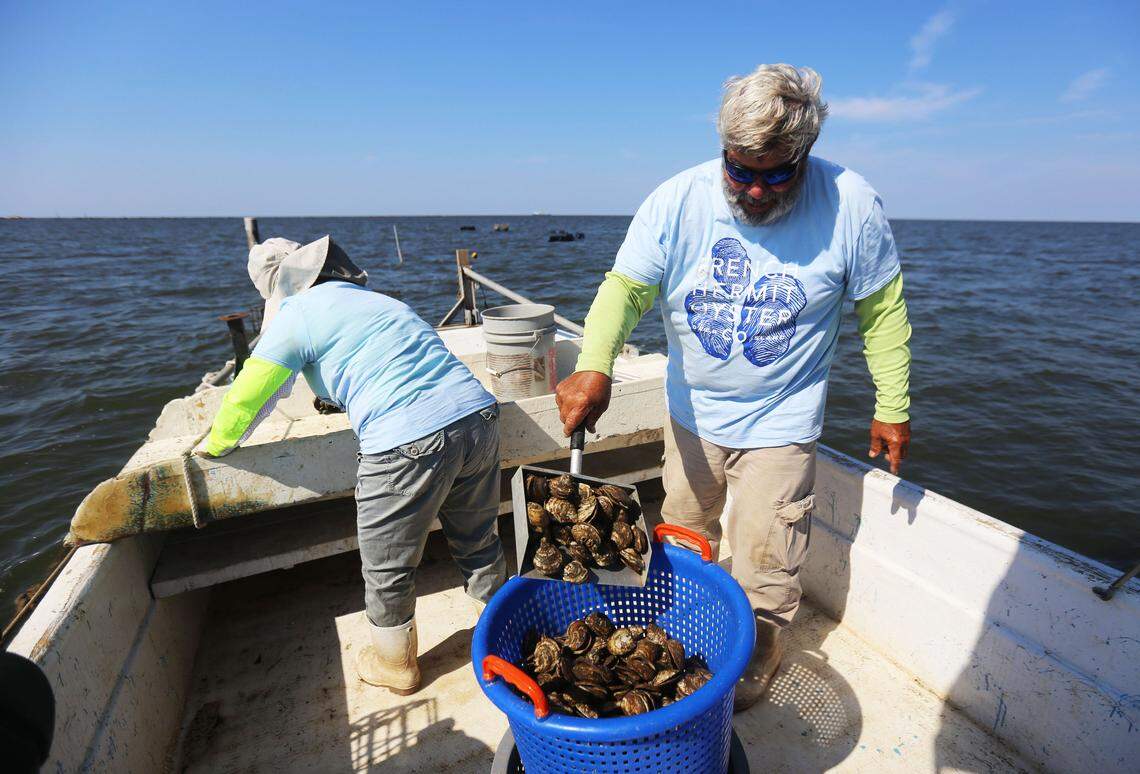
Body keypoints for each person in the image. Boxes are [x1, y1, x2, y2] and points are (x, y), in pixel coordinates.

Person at [555, 64, 913, 712]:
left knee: (767, 564)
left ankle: (753, 661)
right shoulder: (676, 201)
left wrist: (893, 407)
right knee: (683, 536)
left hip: (783, 422)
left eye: (776, 173)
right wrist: (594, 363)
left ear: (804, 153)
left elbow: (883, 312)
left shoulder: (851, 205)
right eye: (739, 168)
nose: (753, 189)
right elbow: (626, 289)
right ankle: (681, 643)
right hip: (691, 415)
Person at [198, 235, 507, 695]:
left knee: (387, 566)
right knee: (479, 539)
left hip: (406, 441)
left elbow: (250, 394)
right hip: (477, 416)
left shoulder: (295, 315)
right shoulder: (371, 299)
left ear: (273, 289)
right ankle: (504, 635)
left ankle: (395, 665)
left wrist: (214, 447)